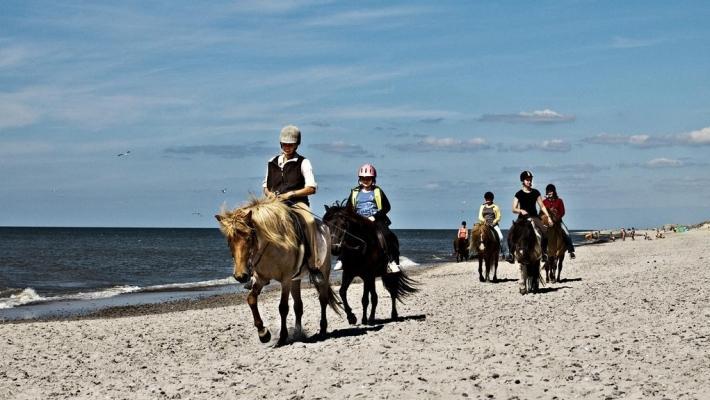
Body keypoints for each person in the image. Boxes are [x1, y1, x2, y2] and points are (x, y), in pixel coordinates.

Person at [263, 125, 321, 281]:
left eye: (291, 144)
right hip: (275, 204)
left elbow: (311, 188)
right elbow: (265, 187)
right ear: (280, 144)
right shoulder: (272, 162)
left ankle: (314, 265)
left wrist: (291, 194)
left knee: (309, 222)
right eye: (285, 144)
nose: (287, 147)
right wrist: (270, 195)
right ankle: (256, 268)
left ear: (297, 144)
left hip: (297, 203)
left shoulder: (303, 162)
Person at [333, 163, 400, 273]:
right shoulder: (355, 192)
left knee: (387, 234)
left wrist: (375, 216)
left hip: (375, 220)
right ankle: (341, 259)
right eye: (363, 178)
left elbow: (387, 207)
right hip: (358, 221)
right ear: (360, 179)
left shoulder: (377, 191)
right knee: (346, 233)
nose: (366, 180)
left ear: (373, 179)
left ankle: (392, 261)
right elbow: (348, 208)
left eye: (368, 178)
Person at [505, 170, 552, 263]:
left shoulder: (535, 192)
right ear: (523, 181)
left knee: (545, 232)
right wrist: (520, 210)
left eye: (530, 180)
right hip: (522, 219)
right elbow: (513, 208)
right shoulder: (518, 194)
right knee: (510, 234)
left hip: (534, 217)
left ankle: (544, 253)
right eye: (527, 180)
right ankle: (511, 254)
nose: (529, 181)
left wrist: (548, 217)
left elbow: (542, 206)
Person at [542, 184, 576, 259]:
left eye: (551, 191)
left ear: (554, 192)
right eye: (548, 191)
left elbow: (562, 212)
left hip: (558, 221)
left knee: (566, 232)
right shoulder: (544, 202)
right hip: (547, 223)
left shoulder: (559, 201)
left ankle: (571, 251)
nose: (549, 193)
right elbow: (541, 212)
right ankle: (543, 253)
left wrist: (556, 218)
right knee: (542, 235)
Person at [477, 191, 508, 257]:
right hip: (484, 225)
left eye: (489, 199)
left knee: (501, 237)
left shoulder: (495, 207)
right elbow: (479, 216)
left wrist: (493, 222)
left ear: (492, 199)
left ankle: (503, 252)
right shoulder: (482, 206)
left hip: (493, 225)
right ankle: (474, 251)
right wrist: (483, 220)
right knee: (475, 236)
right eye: (486, 199)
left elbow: (499, 217)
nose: (487, 200)